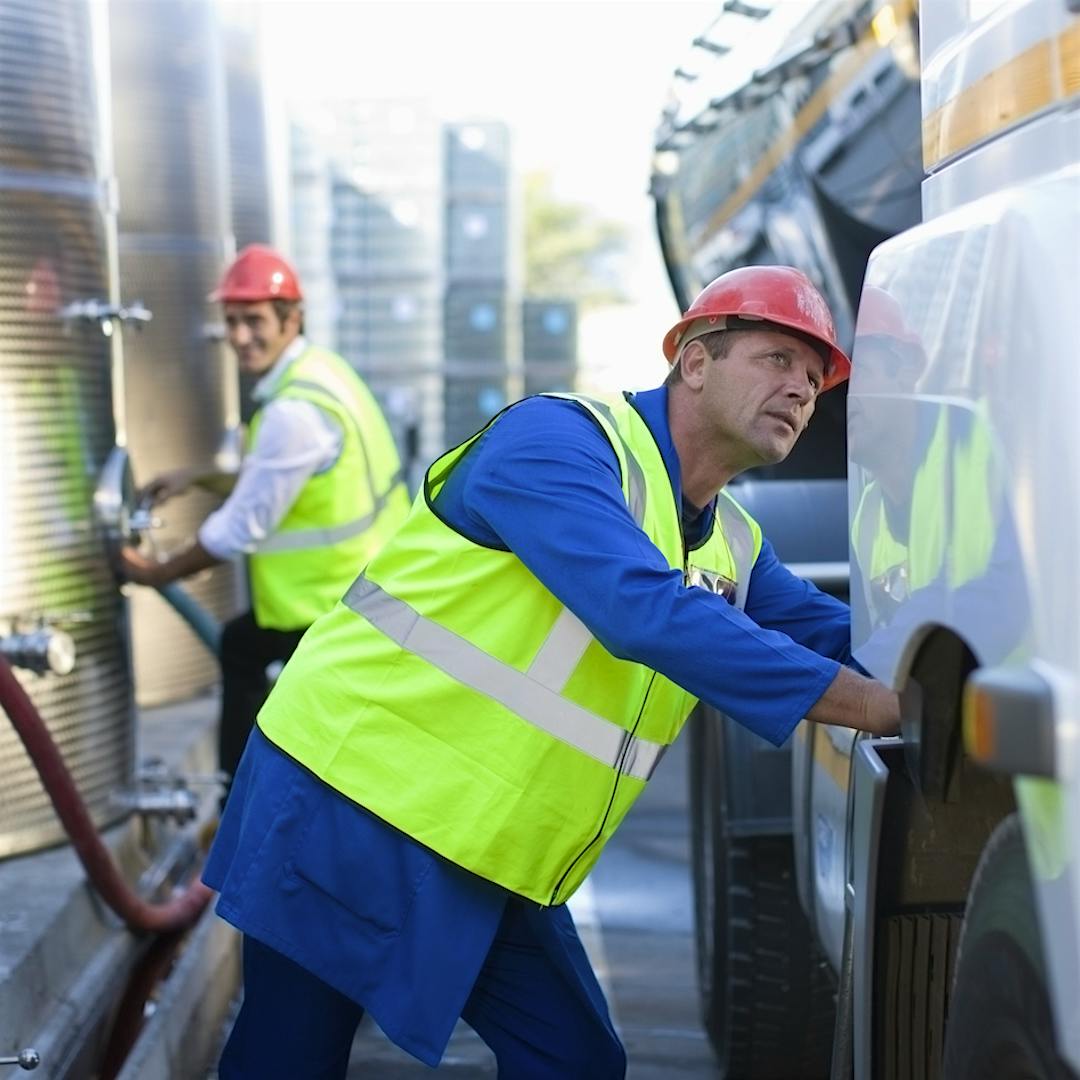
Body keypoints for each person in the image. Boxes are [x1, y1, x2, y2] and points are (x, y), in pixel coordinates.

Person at [203, 265, 901, 1079]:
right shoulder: (557, 444)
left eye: (815, 378)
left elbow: (837, 634)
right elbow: (641, 611)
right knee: (290, 1055)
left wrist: (952, 678)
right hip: (350, 796)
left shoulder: (733, 542)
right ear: (695, 361)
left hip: (478, 839)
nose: (800, 389)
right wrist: (873, 707)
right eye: (777, 359)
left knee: (575, 1061)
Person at [118, 244, 409, 785]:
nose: (239, 336)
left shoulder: (293, 412)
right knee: (248, 654)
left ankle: (237, 805)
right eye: (230, 321)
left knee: (242, 654)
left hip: (330, 605)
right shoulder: (324, 374)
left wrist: (152, 574)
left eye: (253, 320)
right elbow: (288, 479)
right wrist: (199, 476)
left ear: (290, 318)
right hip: (374, 591)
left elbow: (240, 528)